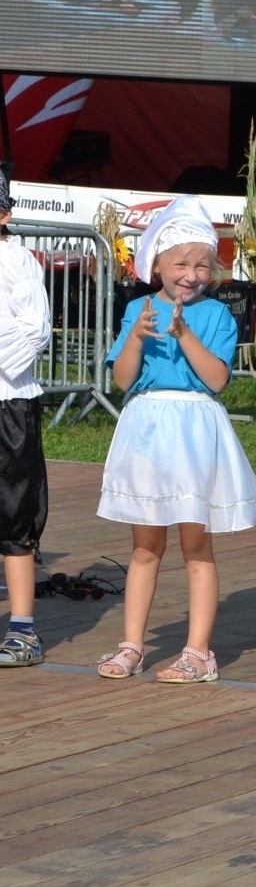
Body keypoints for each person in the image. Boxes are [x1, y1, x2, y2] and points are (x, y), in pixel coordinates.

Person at [95, 196, 256, 682]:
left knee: (197, 545)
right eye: (180, 263)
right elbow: (123, 379)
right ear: (157, 265)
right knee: (145, 545)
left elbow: (216, 379)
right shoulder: (138, 308)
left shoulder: (216, 316)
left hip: (195, 430)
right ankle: (132, 643)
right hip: (148, 429)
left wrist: (184, 336)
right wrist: (136, 336)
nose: (191, 274)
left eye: (201, 265)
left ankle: (199, 650)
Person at [0, 171, 52, 667]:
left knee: (13, 511)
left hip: (7, 401)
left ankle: (23, 629)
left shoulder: (16, 261)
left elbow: (35, 329)